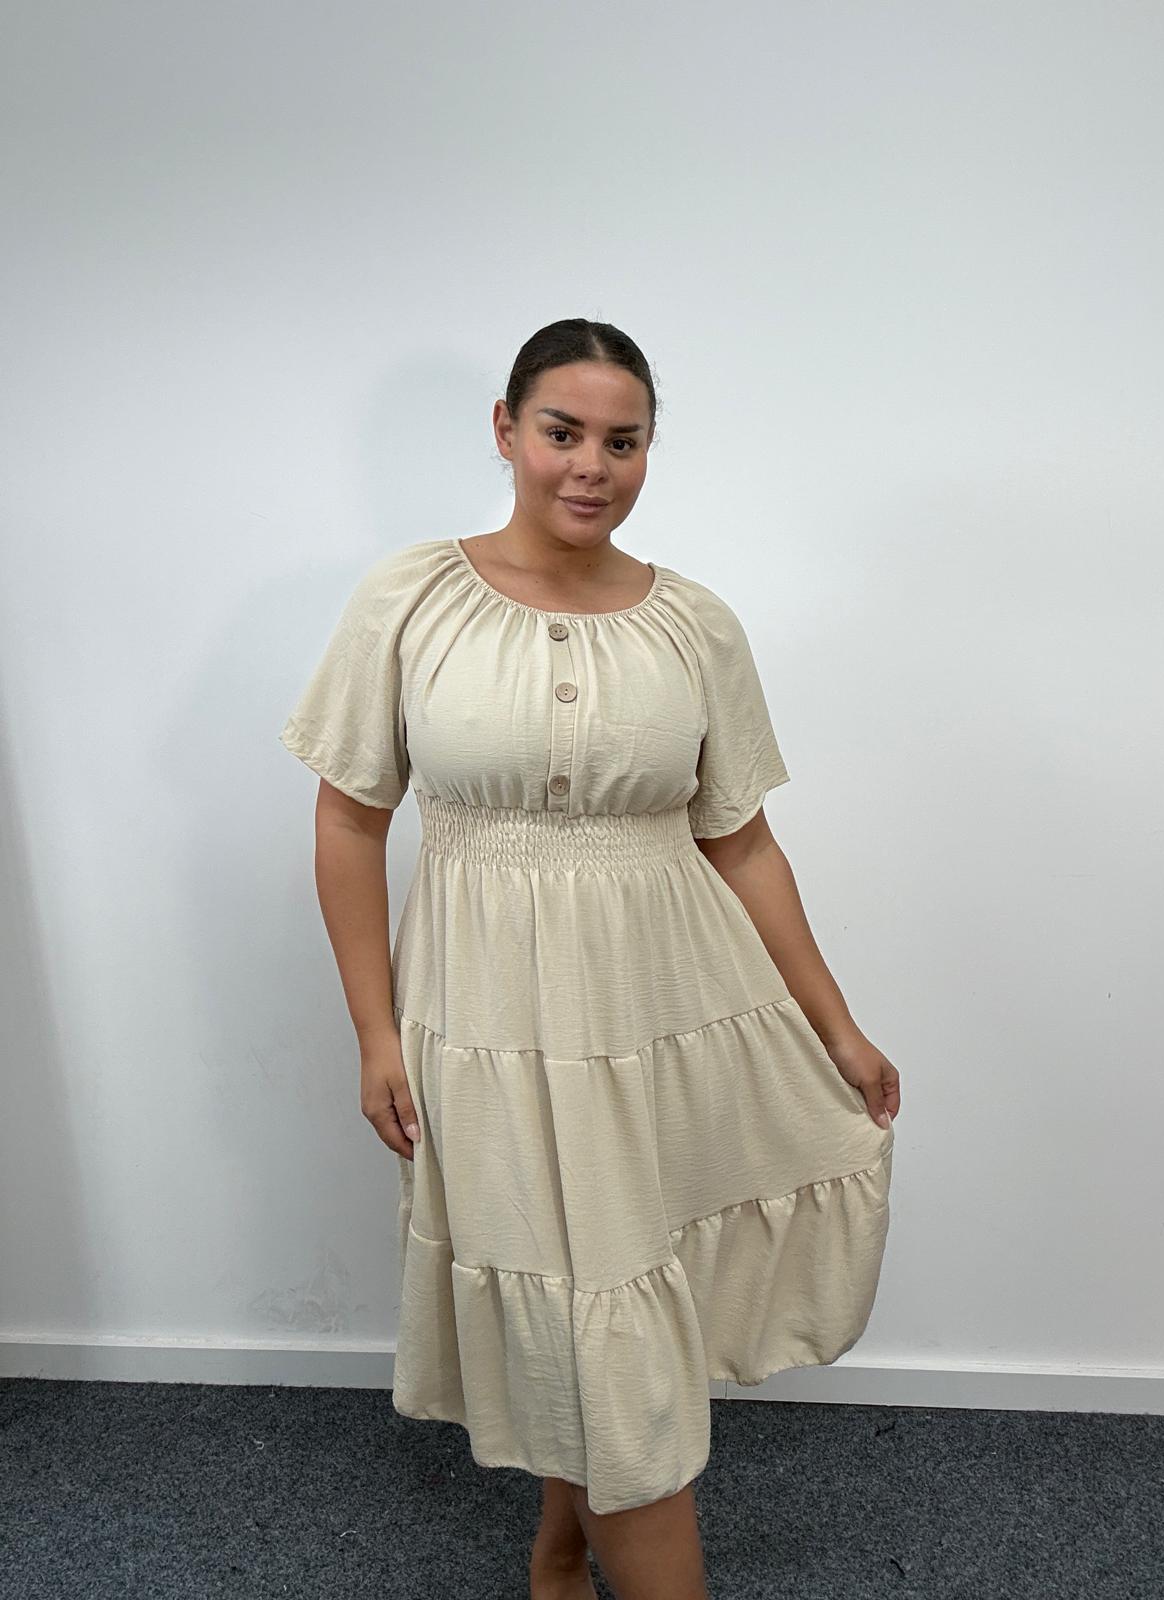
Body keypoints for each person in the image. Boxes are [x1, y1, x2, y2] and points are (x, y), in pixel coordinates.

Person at [279, 317, 900, 1600]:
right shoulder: (410, 597)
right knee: (582, 1298)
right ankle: (576, 1545)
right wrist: (375, 1031)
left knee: (610, 1296)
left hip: (664, 1002)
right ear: (506, 430)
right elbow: (349, 820)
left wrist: (835, 1024)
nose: (591, 466)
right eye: (563, 432)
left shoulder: (696, 624)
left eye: (625, 441)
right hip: (486, 1013)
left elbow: (741, 838)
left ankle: (565, 1547)